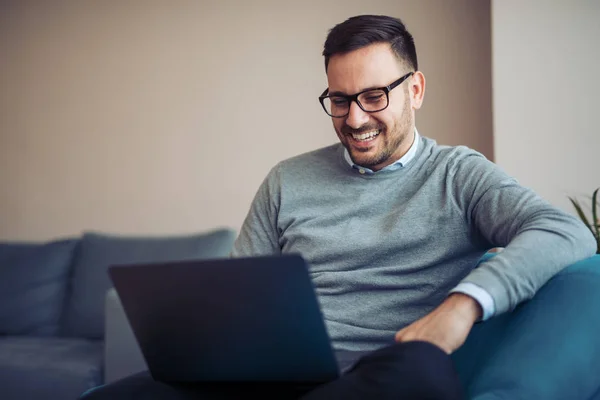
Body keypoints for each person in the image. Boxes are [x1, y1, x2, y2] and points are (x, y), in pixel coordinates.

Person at [82, 14, 596, 400]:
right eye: (340, 99)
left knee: (422, 375)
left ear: (415, 90)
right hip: (268, 376)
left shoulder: (459, 174)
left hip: (379, 375)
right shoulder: (287, 179)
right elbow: (240, 298)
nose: (354, 118)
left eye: (374, 96)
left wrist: (463, 307)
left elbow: (564, 232)